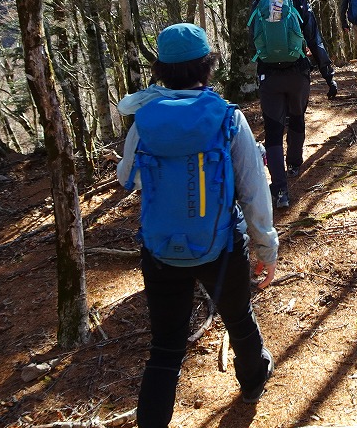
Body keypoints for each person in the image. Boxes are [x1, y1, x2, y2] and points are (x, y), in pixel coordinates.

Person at [116, 23, 278, 428]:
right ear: (208, 66)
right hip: (221, 245)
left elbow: (126, 177)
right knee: (238, 317)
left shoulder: (144, 120)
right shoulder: (228, 118)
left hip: (160, 249)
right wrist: (266, 247)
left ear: (161, 70)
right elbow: (254, 192)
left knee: (165, 347)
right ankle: (253, 381)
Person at [249, 0, 338, 210]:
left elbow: (251, 42)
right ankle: (295, 164)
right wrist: (328, 75)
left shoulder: (260, 4)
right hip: (298, 73)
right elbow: (315, 40)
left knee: (273, 130)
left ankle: (280, 190)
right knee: (297, 117)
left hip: (268, 76)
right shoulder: (299, 2)